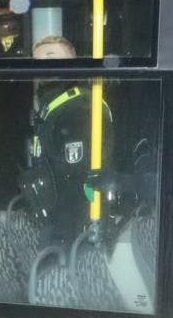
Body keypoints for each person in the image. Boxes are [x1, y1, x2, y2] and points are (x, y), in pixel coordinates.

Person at [21, 35, 113, 241]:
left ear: (72, 64)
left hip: (76, 228)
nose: (42, 65)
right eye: (37, 61)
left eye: (51, 58)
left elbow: (77, 179)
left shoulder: (78, 108)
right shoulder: (53, 105)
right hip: (57, 222)